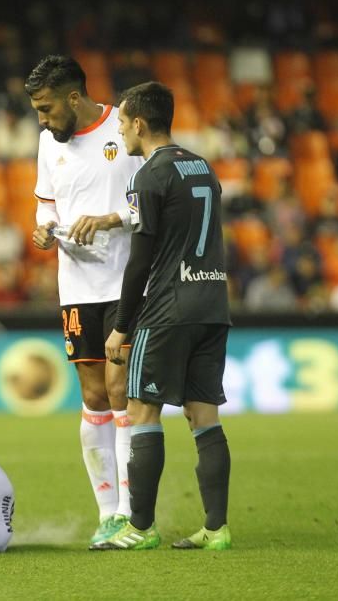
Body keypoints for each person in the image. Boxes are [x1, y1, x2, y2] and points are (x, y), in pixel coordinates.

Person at [99, 82, 232, 551]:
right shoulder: (204, 166)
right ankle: (217, 530)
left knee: (141, 411)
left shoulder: (148, 177)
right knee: (204, 417)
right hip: (213, 303)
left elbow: (140, 260)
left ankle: (140, 527)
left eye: (121, 123)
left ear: (138, 123)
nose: (119, 131)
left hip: (167, 309)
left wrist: (120, 325)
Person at [25, 55, 145, 547]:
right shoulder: (45, 144)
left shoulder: (123, 130)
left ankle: (132, 512)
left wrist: (109, 219)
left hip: (124, 283)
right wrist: (42, 228)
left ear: (73, 98)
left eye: (48, 109)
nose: (42, 120)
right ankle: (107, 514)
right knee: (94, 397)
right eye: (37, 111)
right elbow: (47, 203)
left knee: (120, 391)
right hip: (75, 288)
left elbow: (148, 203)